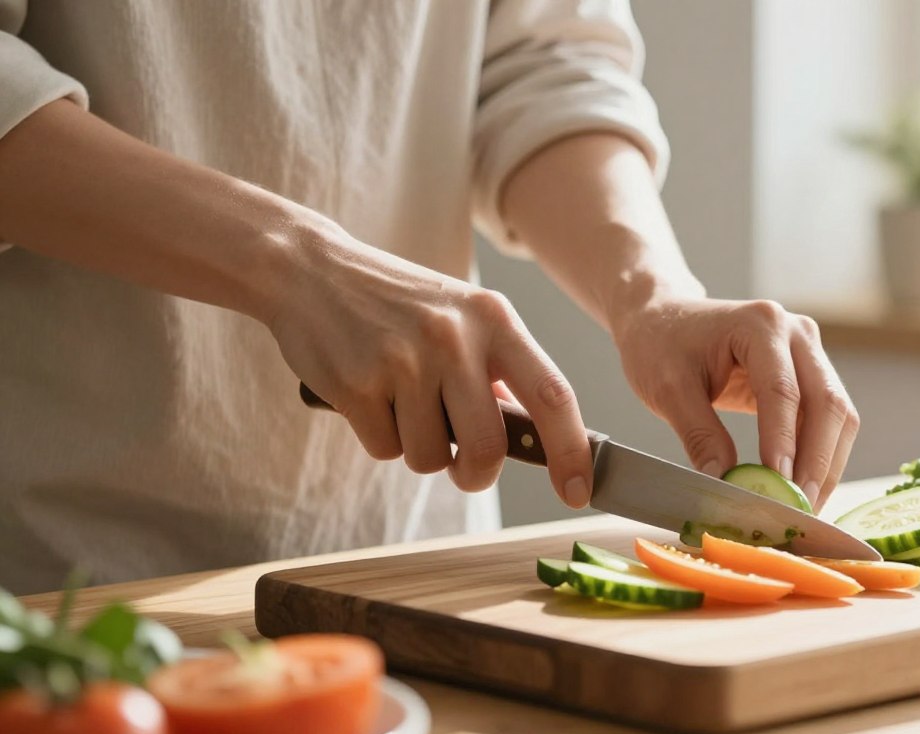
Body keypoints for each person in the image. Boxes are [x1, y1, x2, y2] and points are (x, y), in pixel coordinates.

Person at [0, 0, 860, 595]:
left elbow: (541, 62)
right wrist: (294, 262)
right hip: (63, 578)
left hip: (413, 564)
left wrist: (654, 295)